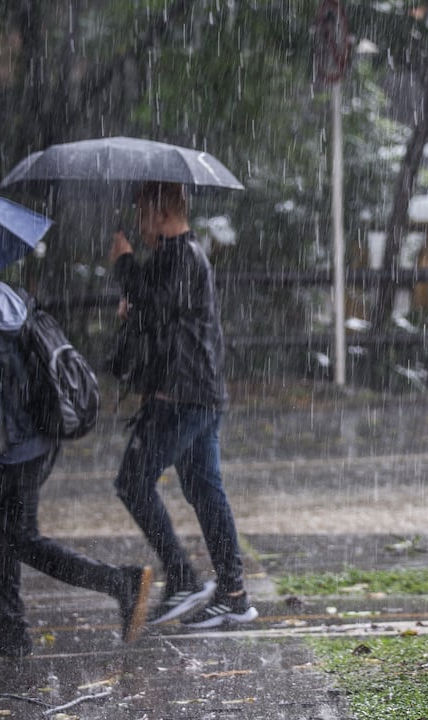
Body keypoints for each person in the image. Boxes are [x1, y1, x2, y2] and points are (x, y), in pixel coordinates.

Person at [0, 278, 153, 659]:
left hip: (16, 448)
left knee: (18, 537)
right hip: (42, 432)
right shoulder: (11, 297)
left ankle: (120, 582)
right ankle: (10, 631)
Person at [108, 181, 257, 628]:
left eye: (142, 213)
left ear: (161, 214)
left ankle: (183, 578)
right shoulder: (178, 256)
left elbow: (157, 307)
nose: (139, 222)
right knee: (206, 491)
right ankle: (233, 593)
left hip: (182, 396)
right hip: (197, 393)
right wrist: (134, 305)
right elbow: (159, 313)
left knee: (133, 482)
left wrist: (124, 264)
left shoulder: (181, 255)